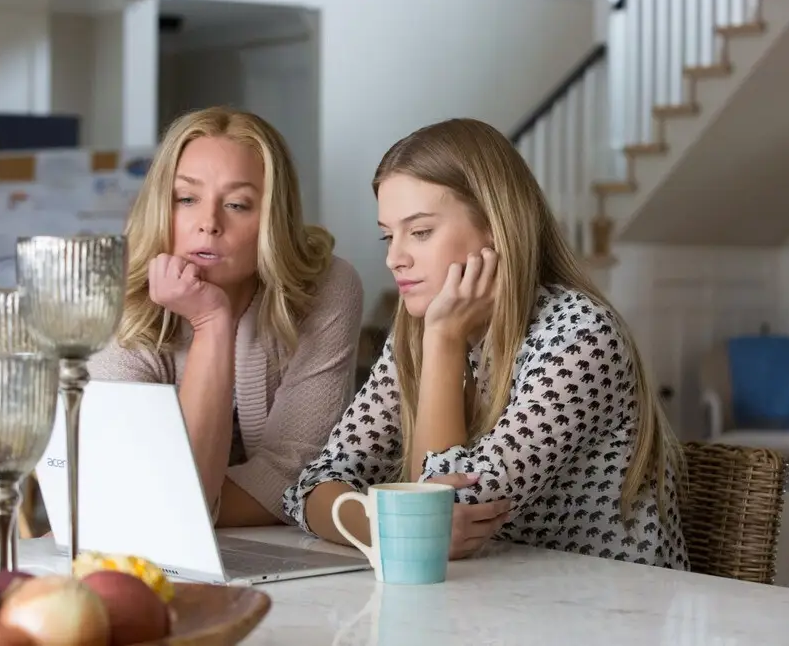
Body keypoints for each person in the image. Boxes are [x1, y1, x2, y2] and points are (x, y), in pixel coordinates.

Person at [282, 118, 689, 569]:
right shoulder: (415, 332)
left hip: (615, 615)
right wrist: (381, 528)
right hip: (494, 606)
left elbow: (439, 513)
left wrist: (444, 340)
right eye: (388, 234)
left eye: (419, 232)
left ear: (496, 226)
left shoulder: (579, 335)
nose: (394, 258)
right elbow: (313, 485)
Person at [88, 107, 364, 527]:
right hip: (149, 554)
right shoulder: (122, 290)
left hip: (287, 558)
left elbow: (294, 472)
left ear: (273, 216)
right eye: (187, 198)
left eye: (237, 204)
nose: (209, 224)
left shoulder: (325, 286)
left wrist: (211, 322)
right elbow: (125, 481)